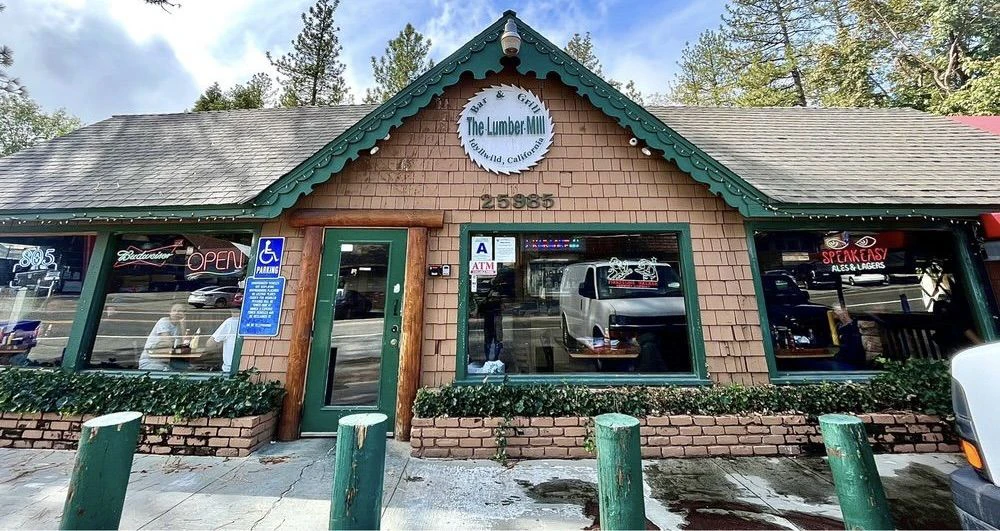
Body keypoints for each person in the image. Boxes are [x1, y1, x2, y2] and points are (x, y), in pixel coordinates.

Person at [138, 303, 187, 371]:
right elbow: (168, 342)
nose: (176, 313)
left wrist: (183, 325)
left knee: (187, 370)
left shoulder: (179, 326)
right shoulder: (164, 321)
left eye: (180, 311)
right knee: (175, 372)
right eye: (174, 310)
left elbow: (183, 344)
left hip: (165, 362)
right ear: (170, 312)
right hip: (150, 361)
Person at [208, 309, 240, 373]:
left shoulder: (230, 322)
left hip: (230, 368)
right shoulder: (252, 322)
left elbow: (210, 344)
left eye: (232, 311)